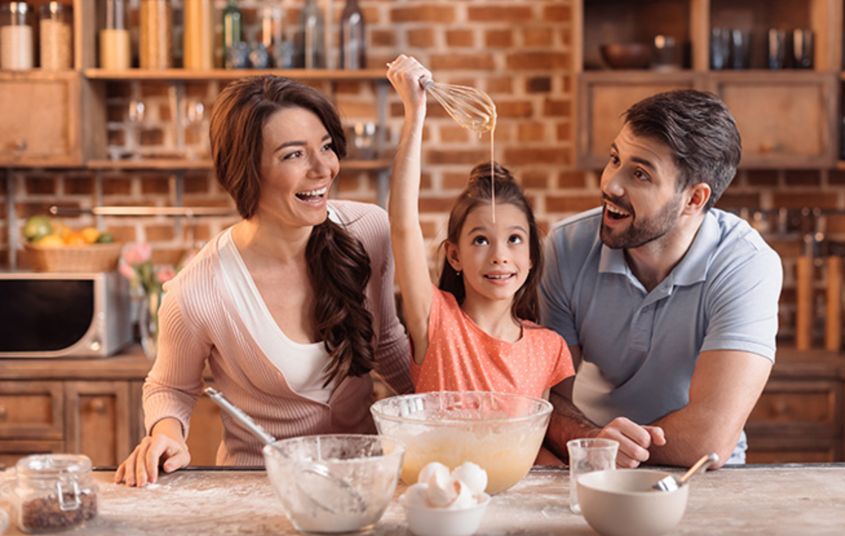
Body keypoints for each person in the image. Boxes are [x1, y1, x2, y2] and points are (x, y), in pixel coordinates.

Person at [115, 76, 412, 487]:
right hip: (257, 490)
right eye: (294, 155)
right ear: (246, 171)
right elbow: (171, 386)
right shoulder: (199, 292)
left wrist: (444, 412)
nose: (323, 168)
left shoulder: (369, 231)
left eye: (326, 147)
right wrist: (165, 436)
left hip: (362, 481)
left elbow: (389, 343)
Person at [540, 89, 782, 469]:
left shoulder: (747, 265)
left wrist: (611, 448)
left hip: (699, 477)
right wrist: (596, 442)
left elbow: (709, 438)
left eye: (639, 174)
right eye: (614, 159)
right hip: (593, 463)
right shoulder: (565, 248)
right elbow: (543, 399)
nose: (610, 185)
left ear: (694, 199)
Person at [385, 55, 573, 404]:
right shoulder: (436, 321)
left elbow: (538, 441)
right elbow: (403, 226)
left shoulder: (550, 348)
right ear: (455, 255)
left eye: (514, 239)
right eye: (481, 240)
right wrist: (415, 115)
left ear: (531, 255)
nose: (500, 256)